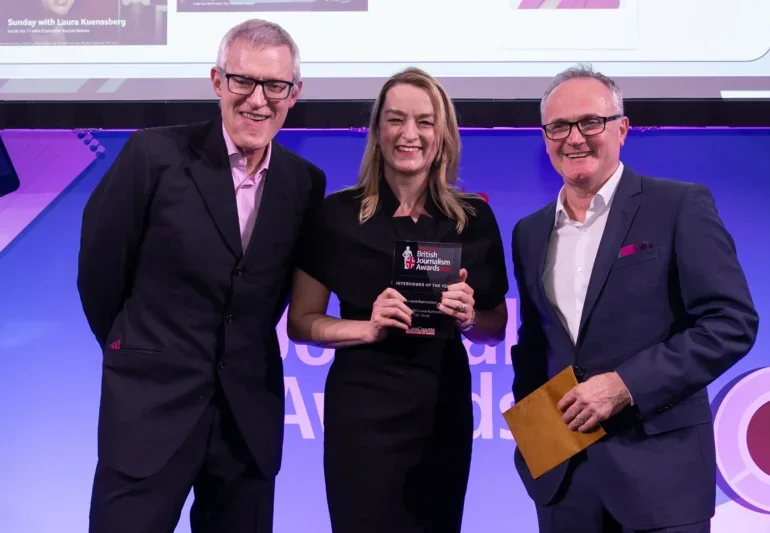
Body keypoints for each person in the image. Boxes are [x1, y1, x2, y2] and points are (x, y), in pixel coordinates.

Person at [77, 19, 325, 533]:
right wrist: (137, 350)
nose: (258, 100)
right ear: (217, 81)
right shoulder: (153, 155)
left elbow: (275, 292)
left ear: (294, 94)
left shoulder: (304, 184)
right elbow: (100, 272)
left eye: (275, 86)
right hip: (149, 412)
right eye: (243, 81)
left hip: (245, 425)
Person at [510, 64, 759, 533]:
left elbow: (731, 321)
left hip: (661, 483)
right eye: (558, 126)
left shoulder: (678, 205)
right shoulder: (529, 232)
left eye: (590, 122)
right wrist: (532, 450)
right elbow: (533, 344)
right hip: (564, 487)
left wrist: (626, 384)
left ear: (622, 129)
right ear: (545, 137)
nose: (574, 138)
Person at [287, 67, 509, 532]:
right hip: (362, 412)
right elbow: (301, 321)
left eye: (425, 121)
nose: (410, 134)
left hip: (441, 409)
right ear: (377, 132)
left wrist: (470, 318)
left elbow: (496, 326)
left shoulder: (475, 219)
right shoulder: (336, 215)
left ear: (443, 134)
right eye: (396, 120)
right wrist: (365, 327)